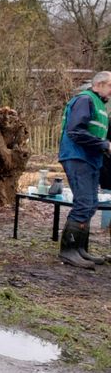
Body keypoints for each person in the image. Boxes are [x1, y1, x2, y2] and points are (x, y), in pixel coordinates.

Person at [56, 71, 111, 269]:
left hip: (90, 159)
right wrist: (104, 145)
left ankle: (80, 249)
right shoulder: (85, 100)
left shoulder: (100, 105)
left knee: (90, 204)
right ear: (99, 84)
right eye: (110, 87)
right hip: (77, 156)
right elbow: (75, 131)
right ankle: (68, 251)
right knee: (84, 203)